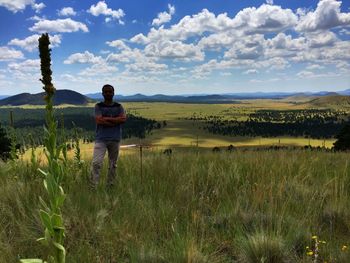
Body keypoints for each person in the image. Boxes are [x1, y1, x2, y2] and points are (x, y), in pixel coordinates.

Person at [91, 84, 126, 188]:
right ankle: (94, 186)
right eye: (106, 92)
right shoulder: (98, 106)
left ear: (113, 93)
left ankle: (110, 185)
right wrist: (116, 121)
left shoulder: (119, 106)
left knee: (113, 165)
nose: (108, 93)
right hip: (101, 139)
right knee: (96, 163)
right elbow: (98, 120)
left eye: (110, 92)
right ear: (102, 93)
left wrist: (106, 119)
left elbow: (123, 119)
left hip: (115, 139)